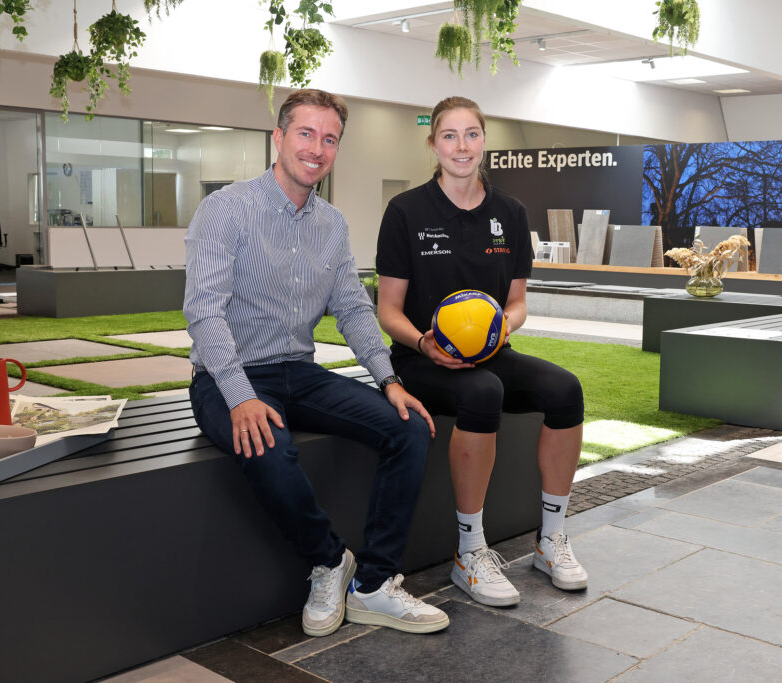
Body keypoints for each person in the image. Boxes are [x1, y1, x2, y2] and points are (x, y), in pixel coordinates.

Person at [184, 89, 449, 636]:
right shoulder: (227, 209)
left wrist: (389, 380)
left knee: (408, 426)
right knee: (265, 444)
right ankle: (329, 561)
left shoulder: (332, 224)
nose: (317, 148)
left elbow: (352, 307)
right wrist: (240, 396)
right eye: (305, 133)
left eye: (329, 139)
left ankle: (374, 584)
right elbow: (204, 312)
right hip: (224, 375)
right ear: (279, 138)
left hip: (298, 373)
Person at [376, 96, 588, 607]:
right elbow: (388, 311)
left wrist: (500, 328)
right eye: (449, 135)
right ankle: (469, 552)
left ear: (484, 141)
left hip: (492, 355)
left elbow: (517, 304)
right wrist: (425, 343)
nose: (461, 146)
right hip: (422, 360)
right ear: (433, 144)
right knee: (482, 391)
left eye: (471, 134)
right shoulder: (405, 211)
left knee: (565, 389)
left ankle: (551, 539)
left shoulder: (509, 213)